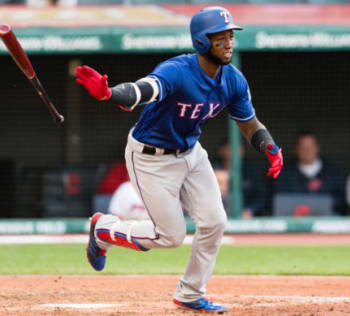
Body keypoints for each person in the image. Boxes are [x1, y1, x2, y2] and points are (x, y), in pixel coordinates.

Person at [75, 6, 283, 313]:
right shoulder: (177, 71)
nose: (228, 43)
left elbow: (249, 123)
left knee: (215, 221)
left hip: (191, 154)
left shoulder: (233, 80)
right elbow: (143, 90)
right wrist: (110, 95)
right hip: (150, 158)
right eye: (220, 38)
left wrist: (270, 146)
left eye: (230, 36)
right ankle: (105, 230)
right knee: (170, 236)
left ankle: (189, 293)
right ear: (201, 42)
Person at [274, 131, 345, 215]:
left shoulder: (332, 172)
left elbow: (341, 200)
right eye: (303, 147)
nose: (307, 151)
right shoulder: (285, 173)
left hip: (326, 220)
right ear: (296, 149)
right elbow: (280, 201)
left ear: (318, 148)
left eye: (311, 147)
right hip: (294, 219)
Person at [212, 139, 267, 218]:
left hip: (245, 215)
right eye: (229, 149)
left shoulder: (251, 170)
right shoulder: (213, 168)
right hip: (217, 213)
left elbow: (261, 197)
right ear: (221, 151)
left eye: (238, 149)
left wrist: (250, 210)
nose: (234, 152)